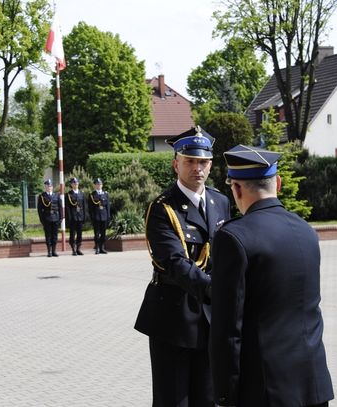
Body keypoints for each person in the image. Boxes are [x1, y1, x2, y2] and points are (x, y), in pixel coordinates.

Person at [209, 144, 334, 407]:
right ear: (277, 182)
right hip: (312, 383)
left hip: (264, 389)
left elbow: (227, 327)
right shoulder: (306, 231)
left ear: (237, 189)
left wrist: (224, 393)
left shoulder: (233, 237)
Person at [134, 126, 231, 407]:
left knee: (209, 398)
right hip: (173, 319)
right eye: (189, 161)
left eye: (202, 162)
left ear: (210, 165)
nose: (196, 168)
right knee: (174, 400)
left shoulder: (220, 202)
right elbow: (175, 263)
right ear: (176, 163)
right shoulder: (163, 208)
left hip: (210, 320)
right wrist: (219, 291)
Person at [37, 179, 61, 257]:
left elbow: (60, 207)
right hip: (47, 218)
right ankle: (49, 251)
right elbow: (40, 209)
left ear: (52, 187)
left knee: (55, 235)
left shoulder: (56, 195)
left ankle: (54, 251)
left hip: (56, 218)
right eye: (47, 186)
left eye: (50, 186)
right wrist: (42, 220)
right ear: (45, 187)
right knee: (48, 235)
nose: (49, 187)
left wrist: (60, 218)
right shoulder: (42, 196)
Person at [65, 177, 87, 256]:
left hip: (80, 217)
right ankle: (73, 249)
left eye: (77, 183)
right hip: (73, 217)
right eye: (74, 183)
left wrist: (84, 216)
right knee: (72, 234)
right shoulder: (68, 194)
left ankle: (78, 249)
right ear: (71, 184)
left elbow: (84, 206)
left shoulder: (81, 194)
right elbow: (67, 208)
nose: (76, 184)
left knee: (80, 234)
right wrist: (69, 218)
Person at [88, 178, 110, 254]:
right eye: (97, 184)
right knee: (96, 233)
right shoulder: (92, 195)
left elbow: (107, 207)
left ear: (102, 185)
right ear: (94, 185)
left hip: (104, 216)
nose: (99, 186)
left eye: (100, 184)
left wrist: (108, 216)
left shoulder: (105, 194)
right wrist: (92, 217)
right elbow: (90, 208)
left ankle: (102, 247)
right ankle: (97, 247)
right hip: (96, 216)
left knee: (103, 233)